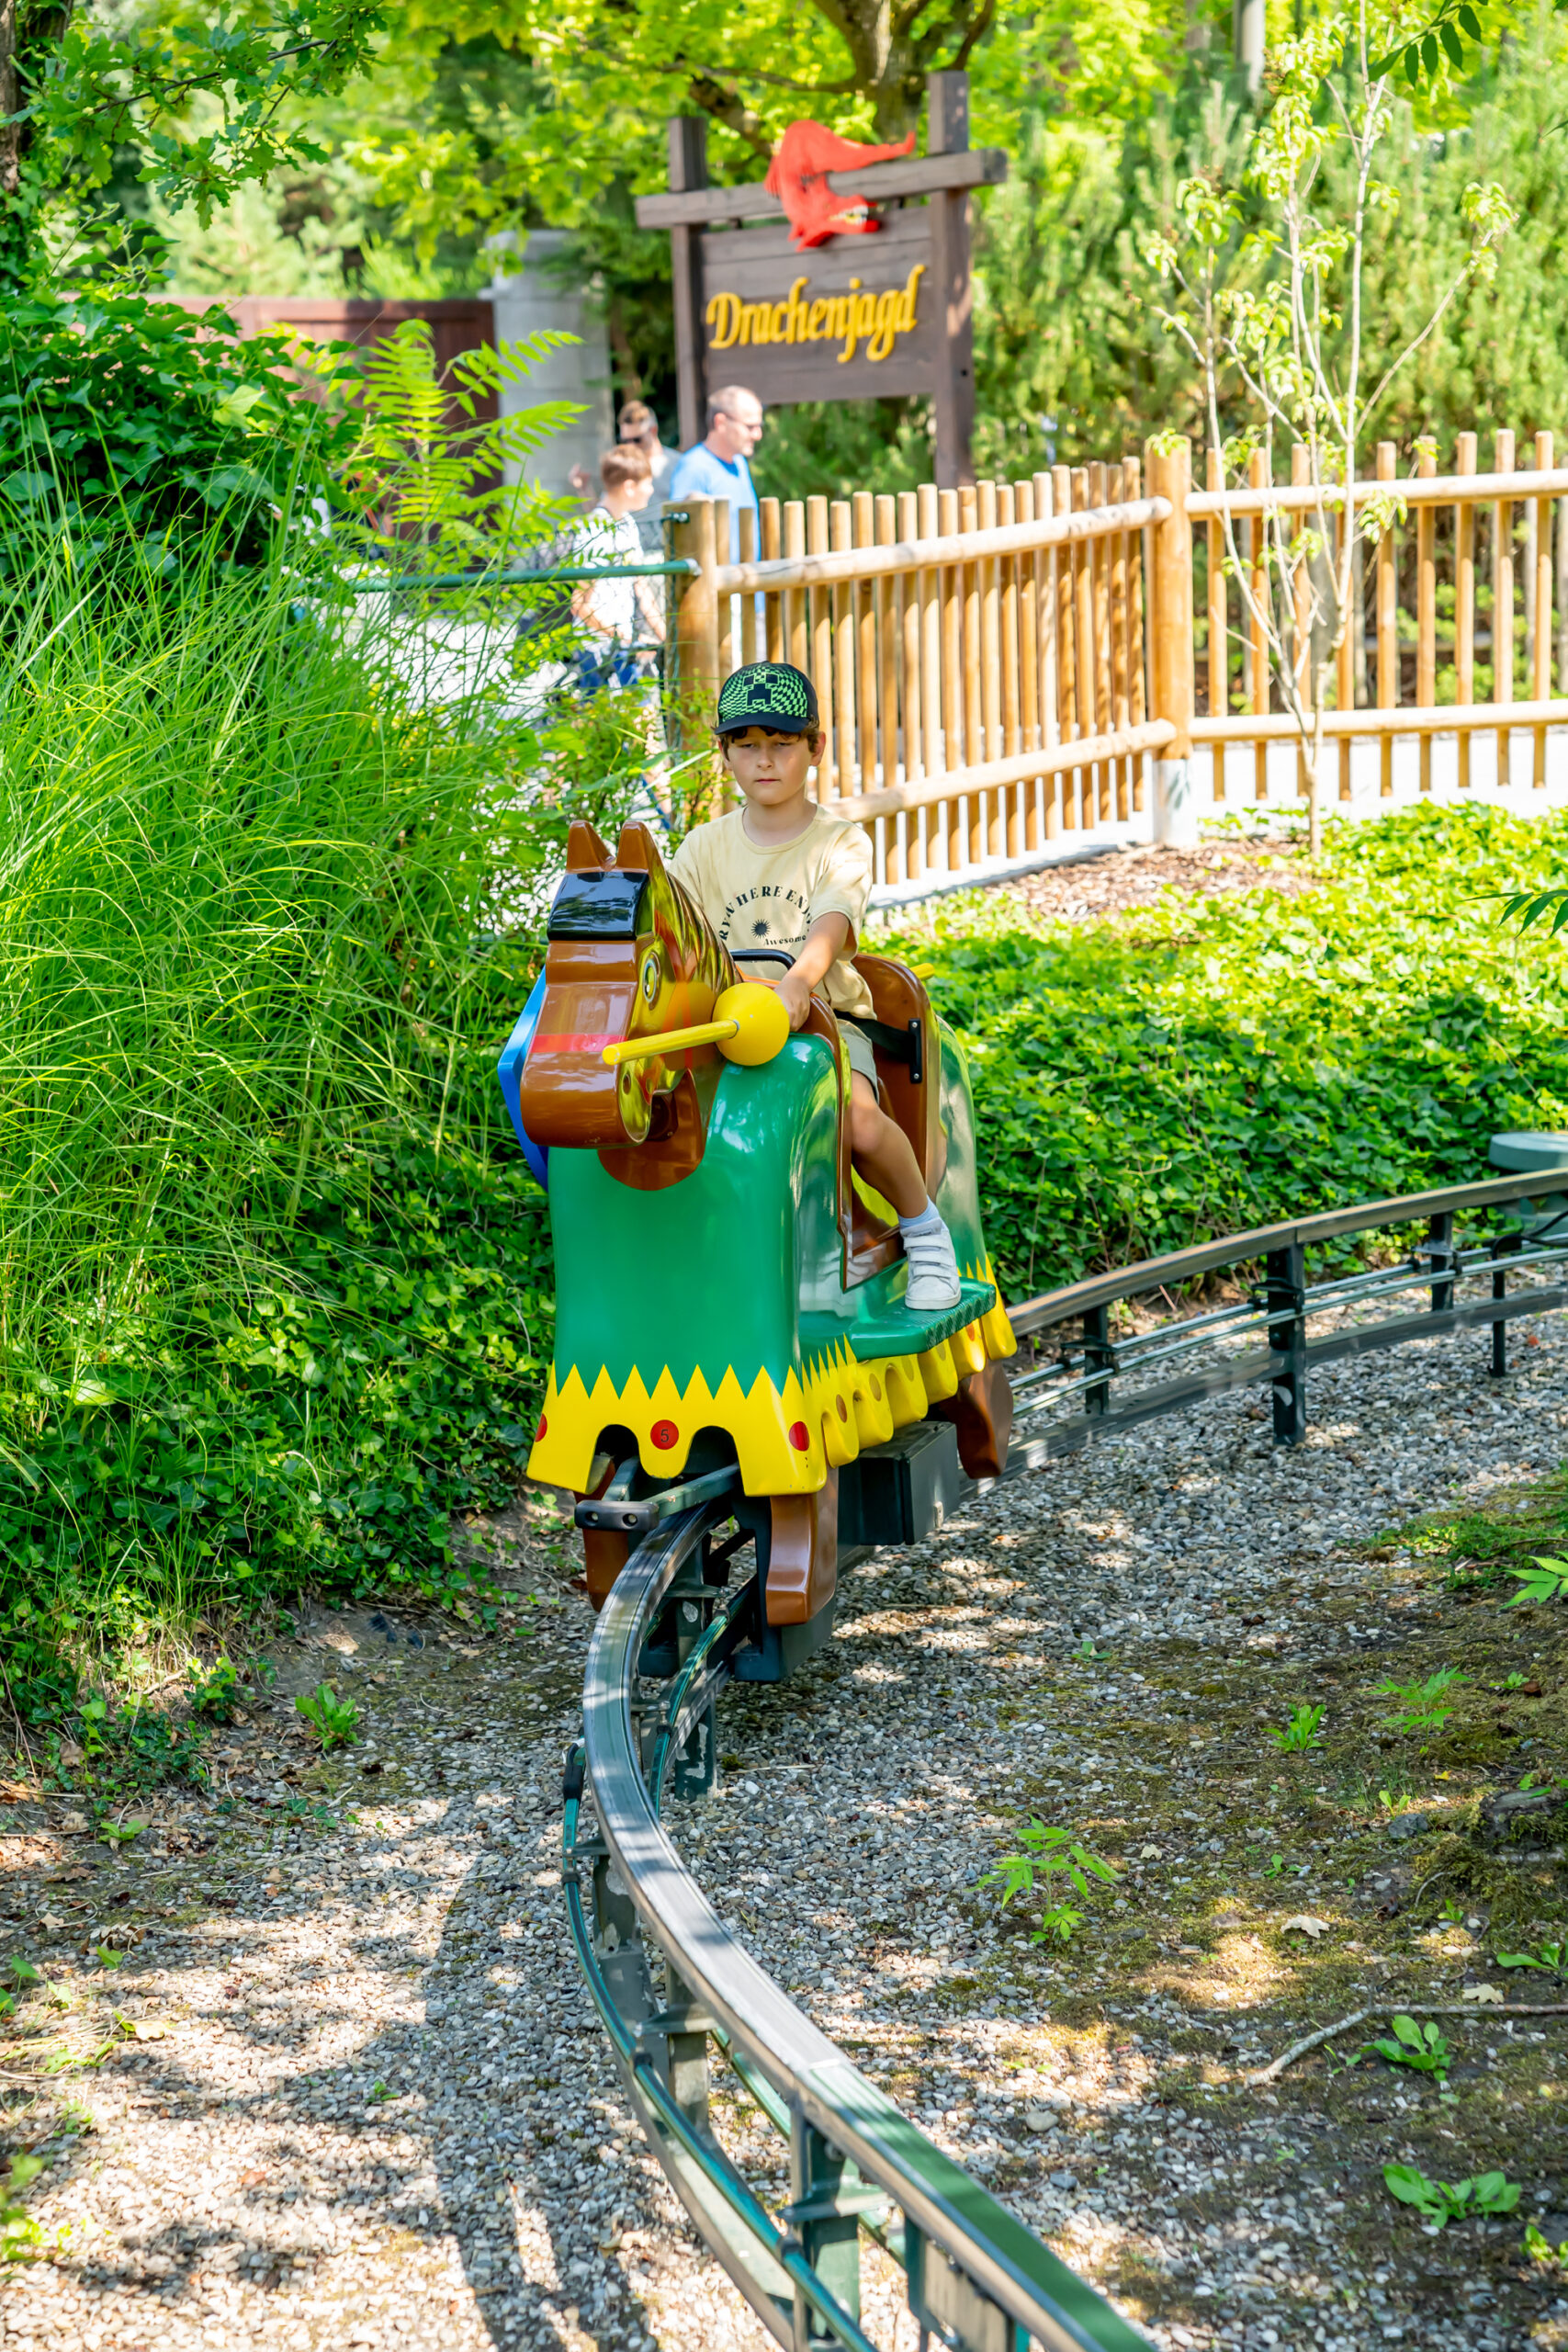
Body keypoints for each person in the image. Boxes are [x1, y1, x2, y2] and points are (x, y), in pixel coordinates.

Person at [669, 660, 963, 1314]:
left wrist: (799, 982)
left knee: (857, 1119)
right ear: (724, 754)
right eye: (747, 745)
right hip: (725, 1027)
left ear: (815, 747)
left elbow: (833, 920)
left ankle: (924, 1231)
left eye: (781, 744)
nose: (763, 760)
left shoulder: (839, 841)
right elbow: (681, 938)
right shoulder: (701, 848)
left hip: (824, 1020)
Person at [568, 444, 666, 692]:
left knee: (640, 710)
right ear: (630, 486)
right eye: (648, 483)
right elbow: (580, 604)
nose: (651, 490)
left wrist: (666, 636)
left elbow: (641, 587)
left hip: (622, 646)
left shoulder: (628, 523)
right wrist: (629, 638)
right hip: (596, 649)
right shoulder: (594, 529)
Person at [666, 386, 763, 562]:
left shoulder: (739, 462)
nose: (758, 435)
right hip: (716, 578)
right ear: (721, 422)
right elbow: (678, 538)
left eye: (759, 426)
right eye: (750, 426)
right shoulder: (693, 467)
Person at [615, 400, 673, 555]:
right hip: (632, 553)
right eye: (625, 441)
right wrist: (583, 489)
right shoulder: (622, 467)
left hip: (669, 552)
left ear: (653, 431)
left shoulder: (676, 464)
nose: (631, 446)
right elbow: (608, 510)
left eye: (637, 440)